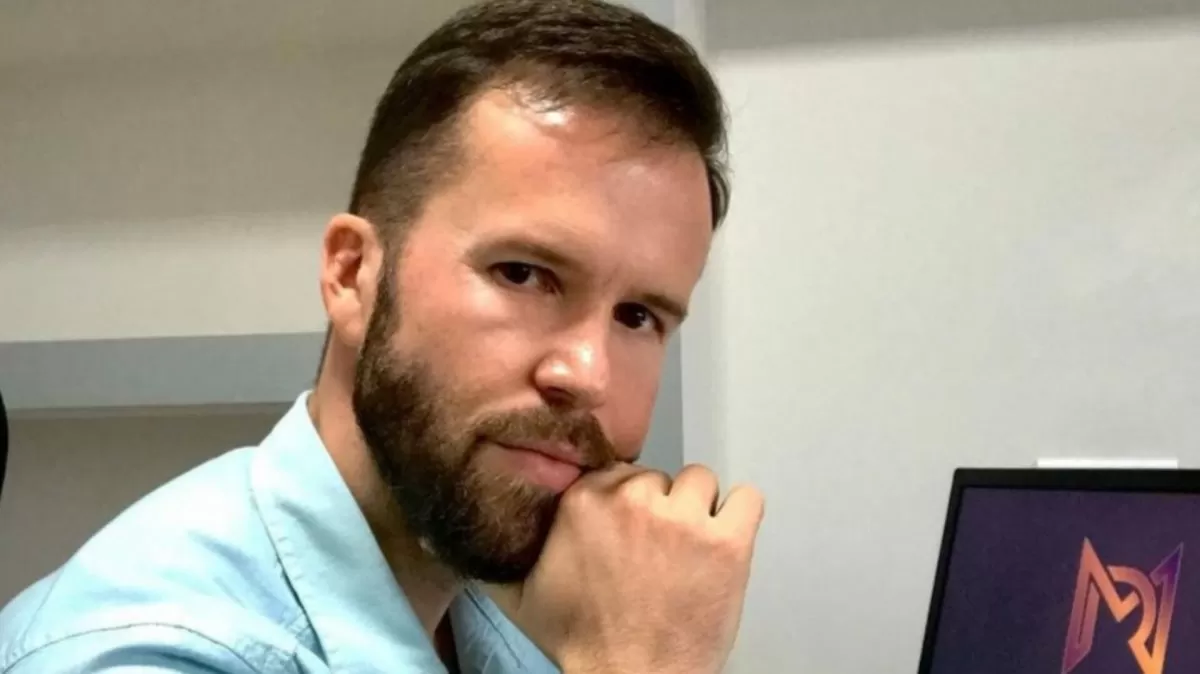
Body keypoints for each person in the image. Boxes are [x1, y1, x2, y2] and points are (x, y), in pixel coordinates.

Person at [0, 0, 764, 672]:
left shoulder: (498, 614)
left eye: (639, 317)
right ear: (352, 274)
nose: (588, 374)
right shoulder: (142, 653)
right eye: (523, 274)